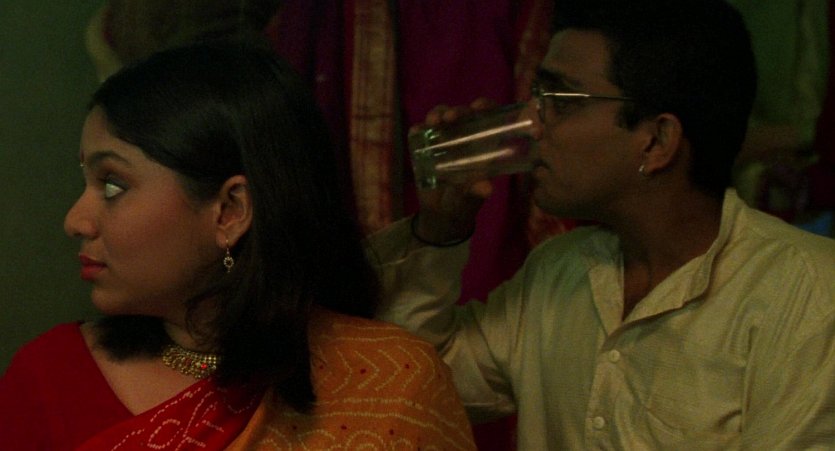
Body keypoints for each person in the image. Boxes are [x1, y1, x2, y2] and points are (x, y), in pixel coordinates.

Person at [369, 0, 835, 448]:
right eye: (536, 98)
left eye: (559, 101)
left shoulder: (806, 293)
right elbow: (409, 381)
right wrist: (441, 228)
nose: (531, 124)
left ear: (656, 141)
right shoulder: (559, 271)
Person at [0, 41, 476, 450]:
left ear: (230, 211)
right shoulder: (47, 380)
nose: (75, 221)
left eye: (112, 185)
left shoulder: (390, 384)